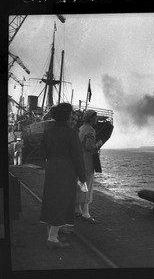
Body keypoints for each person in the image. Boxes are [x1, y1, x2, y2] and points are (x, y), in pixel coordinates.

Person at [40, 103, 87, 249]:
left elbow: (43, 152)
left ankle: (51, 232)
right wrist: (82, 177)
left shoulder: (48, 131)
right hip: (66, 170)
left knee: (51, 199)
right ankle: (52, 238)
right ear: (67, 115)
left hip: (52, 168)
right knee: (63, 201)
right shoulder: (71, 132)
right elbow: (78, 157)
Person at [75, 109, 102, 223]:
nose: (97, 119)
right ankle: (86, 213)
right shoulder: (90, 130)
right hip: (87, 161)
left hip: (79, 161)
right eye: (95, 117)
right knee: (87, 186)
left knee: (80, 185)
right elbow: (89, 147)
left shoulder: (81, 128)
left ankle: (77, 209)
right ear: (91, 118)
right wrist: (98, 144)